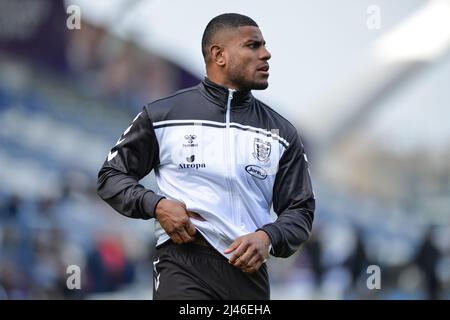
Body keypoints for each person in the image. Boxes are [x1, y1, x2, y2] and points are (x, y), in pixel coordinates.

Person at [97, 13, 315, 300]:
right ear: (219, 55)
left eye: (264, 45)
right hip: (182, 263)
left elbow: (300, 210)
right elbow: (111, 176)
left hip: (249, 274)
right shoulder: (163, 116)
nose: (266, 54)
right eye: (253, 45)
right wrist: (157, 205)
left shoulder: (282, 132)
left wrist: (268, 237)